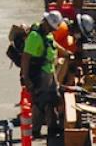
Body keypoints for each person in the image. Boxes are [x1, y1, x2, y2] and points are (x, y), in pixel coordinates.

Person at [19, 8, 64, 136]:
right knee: (40, 101)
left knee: (53, 98)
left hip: (49, 71)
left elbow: (54, 45)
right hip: (39, 74)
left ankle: (52, 127)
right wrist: (26, 77)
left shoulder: (47, 34)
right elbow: (26, 57)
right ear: (46, 23)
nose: (52, 30)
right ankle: (35, 130)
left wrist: (67, 53)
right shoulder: (35, 36)